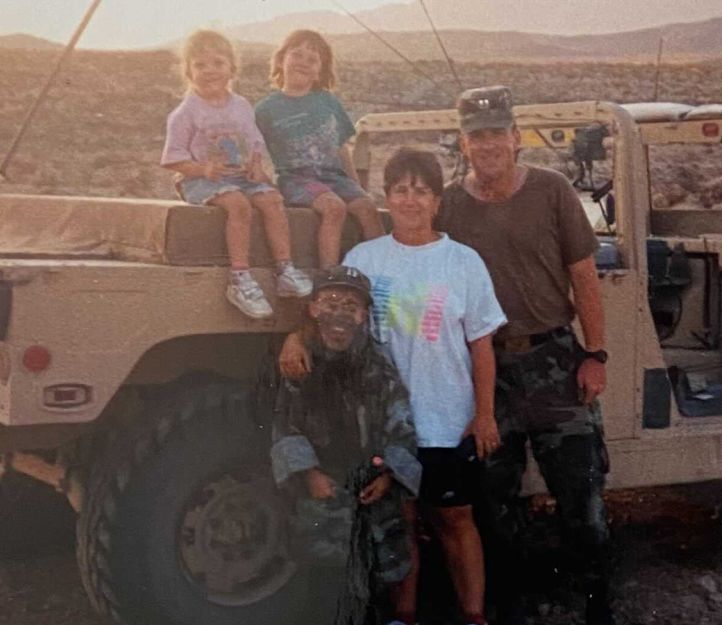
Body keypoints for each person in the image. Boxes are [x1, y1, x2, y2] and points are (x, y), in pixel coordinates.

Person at [280, 148, 507, 625]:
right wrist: (292, 337)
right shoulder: (365, 257)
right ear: (387, 198)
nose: (410, 200)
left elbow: (482, 346)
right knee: (398, 522)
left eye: (421, 190)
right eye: (400, 190)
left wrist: (483, 414)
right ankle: (403, 613)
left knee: (454, 520)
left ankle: (474, 614)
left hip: (447, 418)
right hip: (383, 426)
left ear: (437, 201)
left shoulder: (463, 262)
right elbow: (330, 317)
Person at [437, 85, 615, 625]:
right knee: (495, 502)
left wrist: (596, 354)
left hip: (556, 362)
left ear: (516, 138)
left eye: (497, 134)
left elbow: (583, 276)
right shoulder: (449, 204)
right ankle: (510, 602)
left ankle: (597, 604)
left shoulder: (552, 190)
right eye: (476, 136)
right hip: (487, 373)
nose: (487, 144)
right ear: (464, 144)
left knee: (581, 498)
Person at [270, 265, 421, 625]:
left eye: (351, 304)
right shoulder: (300, 362)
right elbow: (284, 423)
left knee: (377, 581)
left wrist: (388, 476)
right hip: (324, 490)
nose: (340, 312)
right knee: (323, 583)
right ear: (313, 309)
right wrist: (309, 475)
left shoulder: (378, 362)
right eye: (330, 301)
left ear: (364, 314)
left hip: (373, 488)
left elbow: (401, 421)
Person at [161, 29, 312, 319]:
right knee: (238, 205)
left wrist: (256, 165)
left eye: (218, 63)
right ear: (188, 71)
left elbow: (254, 141)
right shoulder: (186, 112)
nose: (210, 71)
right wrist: (203, 168)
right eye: (200, 65)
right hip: (201, 181)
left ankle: (285, 269)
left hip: (241, 176)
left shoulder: (241, 106)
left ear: (232, 68)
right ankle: (240, 278)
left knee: (272, 200)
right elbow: (172, 159)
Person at [254, 29, 384, 269]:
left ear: (320, 72)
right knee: (334, 208)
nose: (303, 62)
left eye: (312, 59)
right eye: (297, 54)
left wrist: (356, 186)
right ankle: (329, 277)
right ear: (281, 60)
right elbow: (252, 152)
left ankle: (386, 269)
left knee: (367, 208)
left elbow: (341, 147)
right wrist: (267, 188)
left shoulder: (328, 102)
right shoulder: (266, 109)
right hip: (298, 180)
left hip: (334, 177)